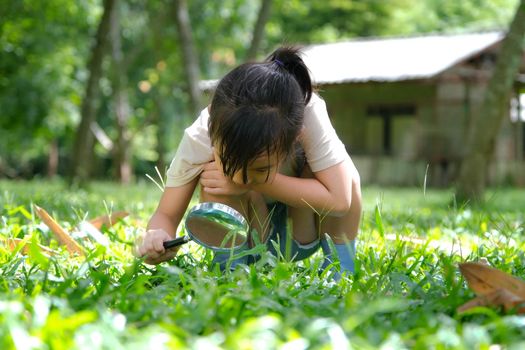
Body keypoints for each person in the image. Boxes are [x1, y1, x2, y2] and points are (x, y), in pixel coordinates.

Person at [135, 46, 362, 279]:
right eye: (230, 162)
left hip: (301, 233)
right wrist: (156, 236)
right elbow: (167, 214)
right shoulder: (201, 133)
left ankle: (340, 268)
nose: (239, 177)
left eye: (260, 167)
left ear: (295, 137)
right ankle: (231, 268)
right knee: (215, 179)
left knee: (345, 176)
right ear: (213, 133)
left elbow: (340, 199)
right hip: (246, 233)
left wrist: (254, 183)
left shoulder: (306, 111)